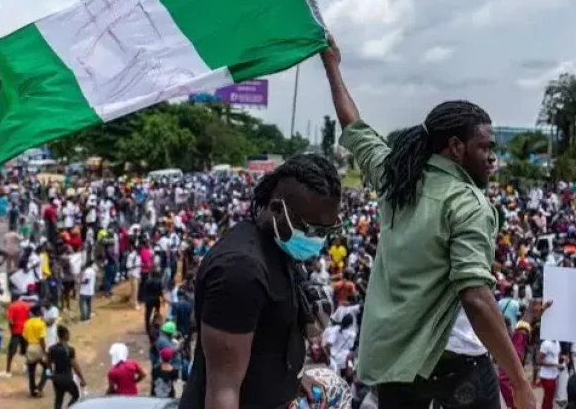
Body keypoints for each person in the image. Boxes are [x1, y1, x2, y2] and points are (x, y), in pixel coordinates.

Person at [322, 37, 534, 409]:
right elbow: (475, 296)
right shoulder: (468, 203)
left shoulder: (395, 177)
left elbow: (354, 127)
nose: (492, 158)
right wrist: (519, 381)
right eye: (485, 147)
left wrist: (332, 67)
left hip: (395, 361)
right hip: (457, 361)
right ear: (455, 147)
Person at [178, 154, 342, 409]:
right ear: (277, 210)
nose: (320, 239)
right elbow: (223, 390)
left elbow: (267, 341)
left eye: (327, 231)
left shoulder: (279, 247)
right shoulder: (239, 271)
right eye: (313, 230)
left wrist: (293, 381)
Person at [47, 325, 86, 409]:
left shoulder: (51, 349)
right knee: (76, 395)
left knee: (58, 400)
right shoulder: (69, 349)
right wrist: (82, 379)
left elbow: (48, 363)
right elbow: (75, 366)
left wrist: (50, 374)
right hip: (67, 378)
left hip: (56, 378)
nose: (69, 335)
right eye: (68, 334)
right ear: (65, 335)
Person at [1, 294, 30, 378]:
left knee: (11, 351)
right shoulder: (26, 305)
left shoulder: (12, 306)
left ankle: (8, 371)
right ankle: (28, 368)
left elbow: (10, 320)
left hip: (16, 331)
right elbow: (29, 316)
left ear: (12, 299)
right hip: (25, 330)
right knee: (27, 350)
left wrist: (11, 330)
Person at [23, 305, 48, 397]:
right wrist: (45, 351)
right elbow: (42, 339)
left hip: (30, 347)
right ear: (38, 312)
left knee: (31, 371)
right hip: (38, 347)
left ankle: (32, 390)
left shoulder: (27, 323)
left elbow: (25, 338)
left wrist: (26, 350)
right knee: (47, 367)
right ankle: (40, 387)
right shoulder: (41, 323)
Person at [143, 269, 164, 337]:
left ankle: (147, 328)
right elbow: (161, 292)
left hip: (148, 299)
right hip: (156, 299)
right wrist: (163, 298)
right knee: (157, 313)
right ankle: (155, 326)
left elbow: (144, 290)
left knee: (147, 314)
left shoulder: (147, 281)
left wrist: (145, 298)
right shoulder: (159, 281)